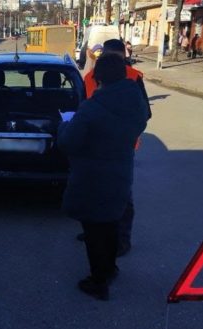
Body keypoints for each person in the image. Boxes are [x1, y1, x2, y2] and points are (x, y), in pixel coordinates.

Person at [57, 54, 148, 300]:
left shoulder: (93, 107)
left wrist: (63, 125)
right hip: (120, 172)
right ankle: (111, 269)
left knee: (94, 231)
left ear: (98, 78)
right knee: (110, 224)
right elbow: (139, 124)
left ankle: (99, 282)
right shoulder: (135, 101)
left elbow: (68, 142)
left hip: (93, 179)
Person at [80, 39, 152, 257]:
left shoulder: (124, 76)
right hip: (113, 145)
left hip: (102, 145)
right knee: (110, 194)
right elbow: (145, 114)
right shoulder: (129, 76)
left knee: (115, 196)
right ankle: (103, 234)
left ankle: (120, 239)